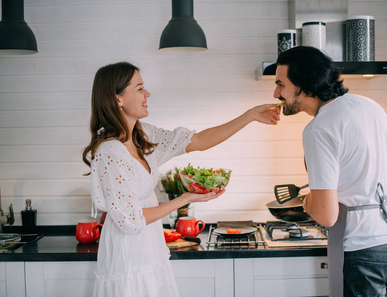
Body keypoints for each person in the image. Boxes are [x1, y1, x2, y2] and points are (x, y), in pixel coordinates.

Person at [82, 61, 281, 297]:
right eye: (139, 88)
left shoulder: (143, 135)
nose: (147, 94)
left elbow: (197, 141)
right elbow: (130, 219)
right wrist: (183, 199)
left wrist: (249, 116)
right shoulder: (110, 152)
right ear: (118, 99)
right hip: (127, 253)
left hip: (149, 245)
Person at [273, 46, 387, 297]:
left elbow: (326, 216)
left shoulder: (319, 128)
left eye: (280, 84)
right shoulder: (367, 104)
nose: (276, 93)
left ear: (304, 86)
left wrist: (306, 201)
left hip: (363, 250)